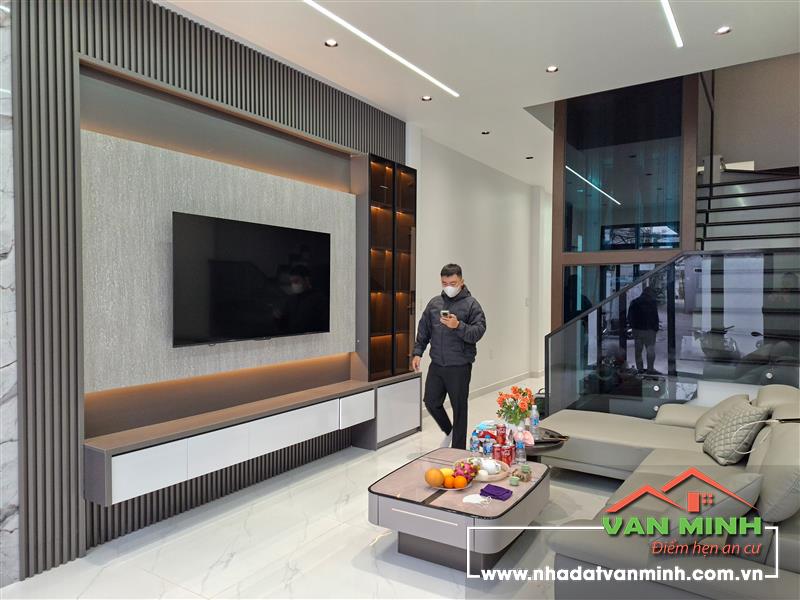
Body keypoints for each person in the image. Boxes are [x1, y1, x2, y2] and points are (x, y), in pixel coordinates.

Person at [412, 264, 487, 449]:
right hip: (437, 364)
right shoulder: (434, 304)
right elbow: (424, 330)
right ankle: (450, 431)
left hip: (460, 366)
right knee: (431, 402)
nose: (449, 287)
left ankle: (458, 451)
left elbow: (478, 332)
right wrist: (417, 352)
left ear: (461, 281)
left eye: (453, 283)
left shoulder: (471, 304)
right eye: (445, 283)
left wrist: (458, 326)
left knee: (459, 409)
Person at [627, 286, 659, 373]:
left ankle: (640, 369)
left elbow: (629, 317)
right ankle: (650, 369)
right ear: (650, 293)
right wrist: (655, 328)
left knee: (638, 351)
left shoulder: (634, 302)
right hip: (649, 330)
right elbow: (655, 317)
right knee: (650, 350)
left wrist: (633, 326)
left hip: (637, 330)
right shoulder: (652, 302)